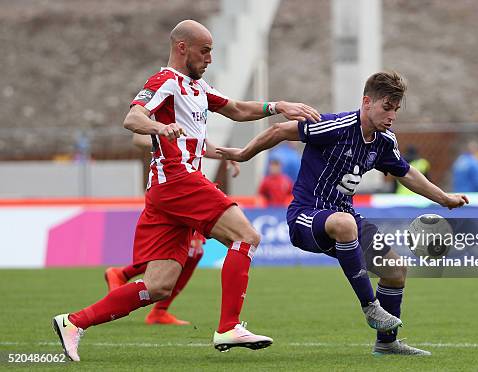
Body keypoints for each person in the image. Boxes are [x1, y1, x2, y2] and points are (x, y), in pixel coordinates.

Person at [52, 19, 321, 361]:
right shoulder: (165, 81)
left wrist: (277, 106)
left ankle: (73, 322)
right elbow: (133, 118)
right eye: (205, 51)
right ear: (183, 48)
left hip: (168, 191)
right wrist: (159, 127)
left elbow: (236, 109)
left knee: (158, 286)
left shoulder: (198, 88)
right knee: (246, 236)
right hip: (177, 181)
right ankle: (228, 326)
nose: (210, 58)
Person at [216, 71, 468, 356]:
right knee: (345, 223)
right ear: (366, 102)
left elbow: (406, 173)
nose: (391, 116)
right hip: (306, 216)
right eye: (387, 107)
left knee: (395, 270)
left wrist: (443, 198)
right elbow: (278, 130)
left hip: (343, 215)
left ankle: (387, 343)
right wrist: (243, 154)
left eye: (395, 110)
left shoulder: (385, 141)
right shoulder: (334, 125)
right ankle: (370, 307)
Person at [103, 134, 240, 326]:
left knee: (194, 251)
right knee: (187, 250)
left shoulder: (196, 108)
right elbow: (138, 137)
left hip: (191, 182)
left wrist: (223, 154)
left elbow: (197, 142)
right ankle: (139, 292)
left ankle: (138, 289)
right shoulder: (163, 106)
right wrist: (167, 147)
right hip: (172, 184)